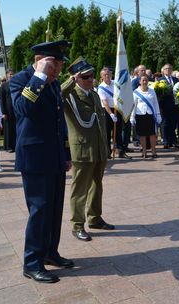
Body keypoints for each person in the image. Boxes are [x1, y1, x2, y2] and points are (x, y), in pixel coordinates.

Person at [9, 40, 74, 283]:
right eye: (54, 64)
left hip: (54, 155)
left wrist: (65, 154)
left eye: (59, 64)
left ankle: (49, 253)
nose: (58, 69)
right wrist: (38, 77)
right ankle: (32, 262)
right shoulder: (21, 80)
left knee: (55, 208)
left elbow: (60, 122)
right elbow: (23, 108)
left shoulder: (55, 84)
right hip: (34, 158)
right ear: (40, 61)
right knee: (39, 210)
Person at [61, 57, 114, 242]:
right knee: (80, 189)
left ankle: (94, 218)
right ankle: (77, 225)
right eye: (86, 77)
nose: (91, 79)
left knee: (96, 185)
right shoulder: (70, 95)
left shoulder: (93, 95)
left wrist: (106, 147)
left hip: (98, 148)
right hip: (82, 149)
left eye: (92, 76)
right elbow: (56, 94)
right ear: (77, 78)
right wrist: (71, 81)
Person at [98, 67, 129, 159]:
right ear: (102, 77)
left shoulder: (115, 84)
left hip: (117, 109)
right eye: (105, 75)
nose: (107, 76)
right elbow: (104, 102)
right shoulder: (101, 87)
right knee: (107, 132)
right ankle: (108, 152)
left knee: (118, 131)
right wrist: (111, 114)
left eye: (109, 74)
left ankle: (120, 151)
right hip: (107, 111)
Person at [132, 75, 161, 158]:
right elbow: (134, 105)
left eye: (146, 80)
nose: (144, 82)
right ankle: (144, 152)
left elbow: (155, 104)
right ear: (140, 82)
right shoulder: (136, 92)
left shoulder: (152, 91)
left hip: (150, 115)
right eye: (143, 80)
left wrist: (158, 114)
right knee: (142, 135)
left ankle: (153, 151)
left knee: (152, 134)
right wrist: (132, 117)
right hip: (140, 115)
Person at [159, 64, 179, 149]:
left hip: (174, 105)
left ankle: (173, 141)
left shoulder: (175, 79)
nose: (168, 70)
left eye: (170, 68)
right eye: (166, 69)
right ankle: (165, 141)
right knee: (165, 124)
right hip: (164, 105)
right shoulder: (160, 80)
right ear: (163, 71)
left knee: (173, 123)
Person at [0, 69, 16, 152]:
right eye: (10, 74)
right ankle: (9, 146)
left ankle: (16, 145)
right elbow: (2, 100)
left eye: (13, 74)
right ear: (7, 76)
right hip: (7, 110)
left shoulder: (17, 83)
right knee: (9, 129)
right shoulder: (4, 85)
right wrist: (3, 112)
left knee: (16, 128)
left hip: (16, 109)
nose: (11, 76)